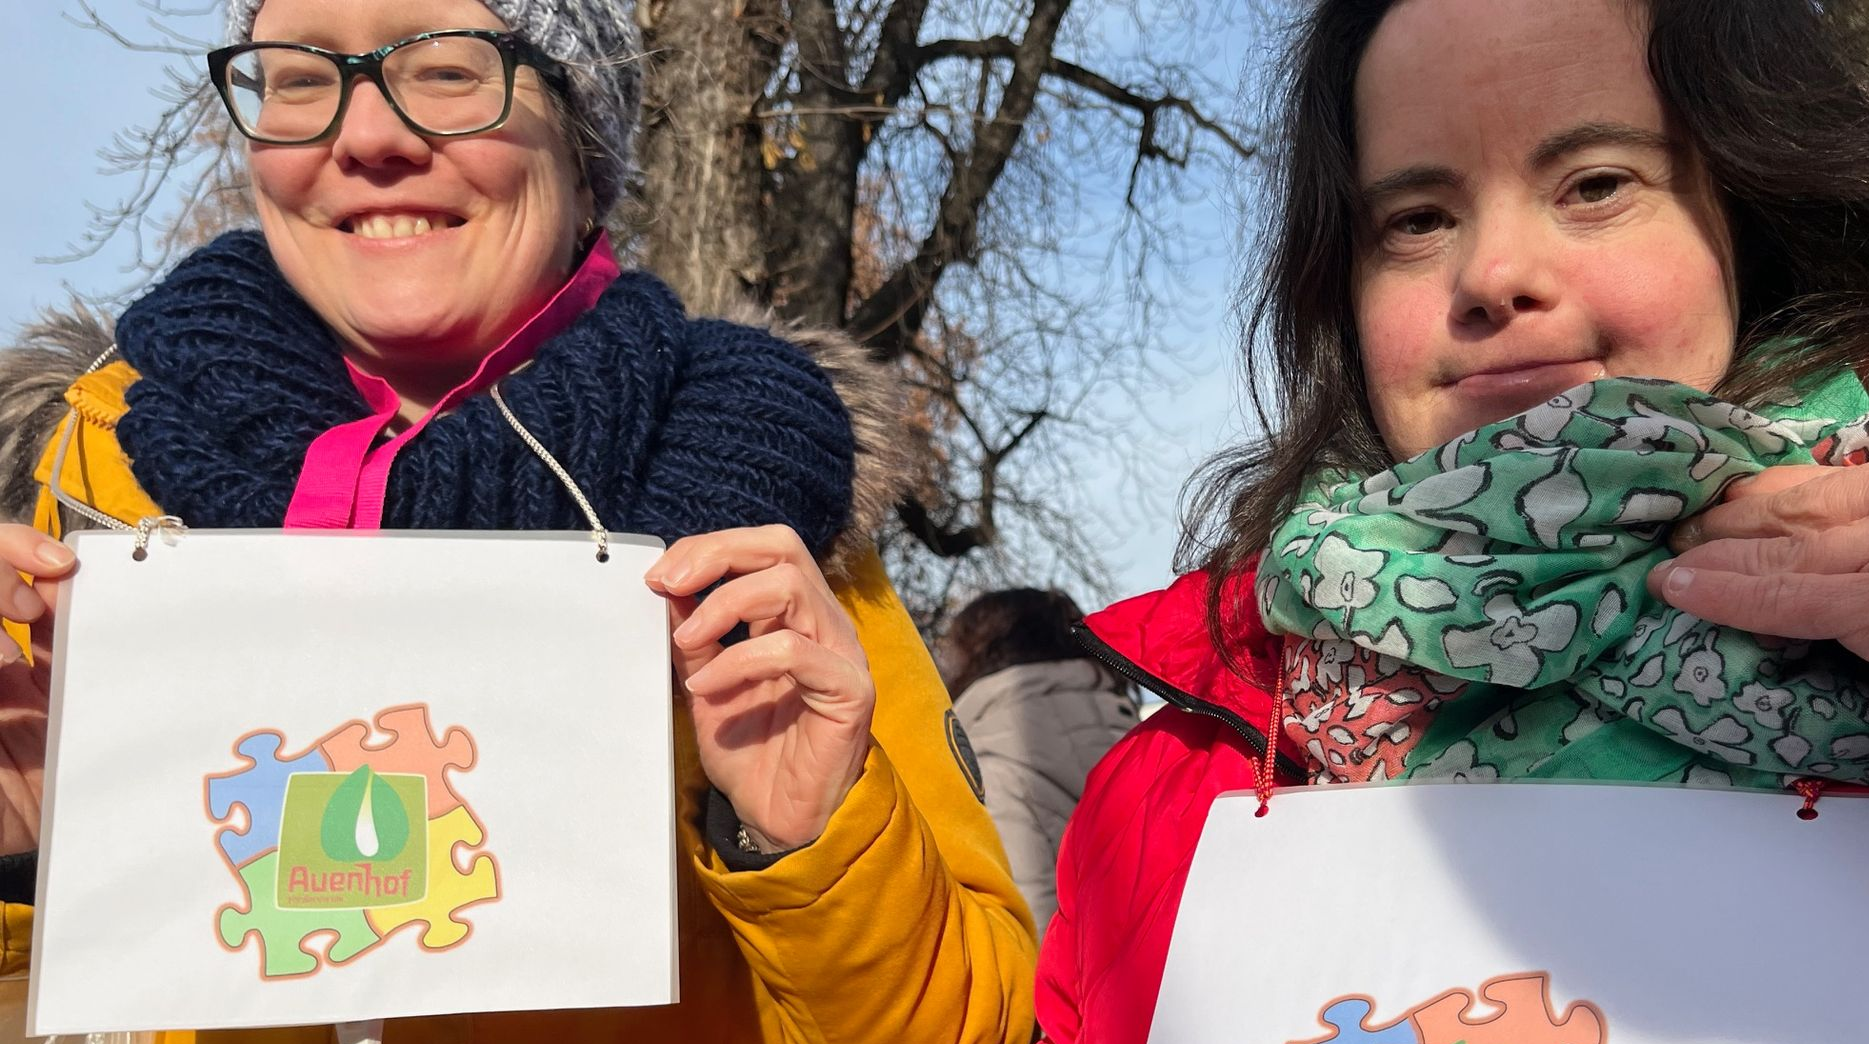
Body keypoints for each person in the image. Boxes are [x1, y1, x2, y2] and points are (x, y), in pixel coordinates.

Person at [0, 0, 1038, 1039]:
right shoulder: (92, 476)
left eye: (448, 71)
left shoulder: (764, 482)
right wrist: (21, 861)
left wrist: (814, 846)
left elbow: (976, 1025)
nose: (368, 136)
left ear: (581, 147)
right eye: (302, 78)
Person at [1035, 0, 1869, 1039]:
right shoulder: (1165, 794)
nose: (1492, 276)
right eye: (1418, 219)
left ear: (1749, 213)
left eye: (1596, 184)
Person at [939, 589, 1138, 940]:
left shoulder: (987, 765)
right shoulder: (1143, 735)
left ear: (972, 655)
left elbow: (1029, 933)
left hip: (1067, 970)